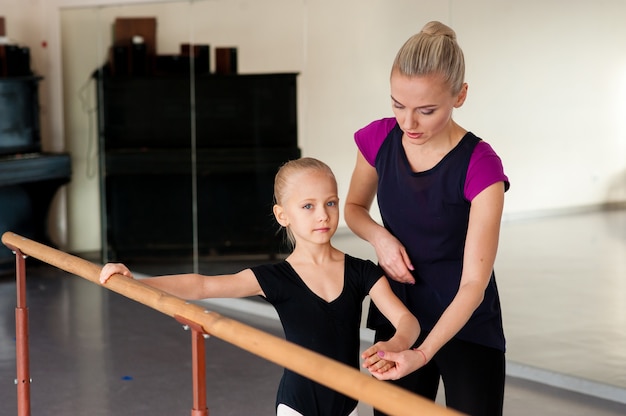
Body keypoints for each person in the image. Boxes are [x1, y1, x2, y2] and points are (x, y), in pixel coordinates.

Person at [100, 157, 420, 416]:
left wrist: (395, 343)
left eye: (331, 203)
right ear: (283, 215)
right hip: (297, 406)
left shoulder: (361, 271)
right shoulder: (276, 278)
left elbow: (407, 321)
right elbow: (201, 286)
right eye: (308, 206)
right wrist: (134, 281)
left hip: (347, 405)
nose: (323, 215)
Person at [344, 21, 510, 416]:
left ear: (461, 96)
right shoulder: (377, 139)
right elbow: (353, 209)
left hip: (466, 318)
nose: (408, 123)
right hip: (399, 311)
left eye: (426, 110)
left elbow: (474, 283)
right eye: (398, 105)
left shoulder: (481, 166)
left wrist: (422, 353)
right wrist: (380, 238)